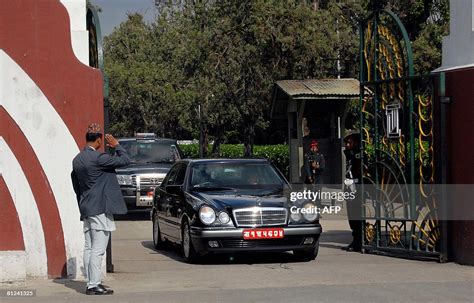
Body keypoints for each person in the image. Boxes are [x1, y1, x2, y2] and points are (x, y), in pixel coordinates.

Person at [71, 123, 131, 295]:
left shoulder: (77, 159)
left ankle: (92, 282)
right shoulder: (99, 158)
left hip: (86, 206)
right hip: (99, 208)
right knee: (98, 248)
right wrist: (117, 146)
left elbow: (76, 185)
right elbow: (126, 161)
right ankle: (93, 284)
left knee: (89, 247)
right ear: (98, 140)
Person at [342, 130, 363, 252]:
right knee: (351, 216)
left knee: (357, 216)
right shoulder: (350, 154)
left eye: (349, 142)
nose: (347, 145)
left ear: (355, 142)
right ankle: (355, 241)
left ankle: (359, 242)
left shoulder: (358, 155)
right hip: (350, 187)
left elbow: (358, 172)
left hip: (357, 188)